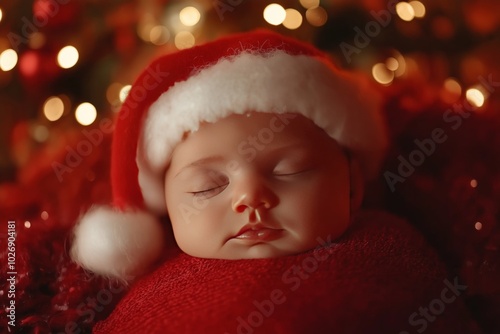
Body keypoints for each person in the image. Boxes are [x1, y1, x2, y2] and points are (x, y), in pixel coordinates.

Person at [69, 29, 387, 280]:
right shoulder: (157, 288)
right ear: (166, 207)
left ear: (353, 185)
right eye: (206, 186)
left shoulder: (383, 252)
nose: (249, 197)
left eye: (290, 170)